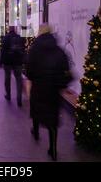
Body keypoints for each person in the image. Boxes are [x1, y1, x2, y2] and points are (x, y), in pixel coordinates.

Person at [26, 24, 72, 161]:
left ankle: (35, 131)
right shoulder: (58, 49)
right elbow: (66, 67)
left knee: (36, 109)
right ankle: (53, 149)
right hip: (53, 89)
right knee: (52, 118)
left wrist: (33, 78)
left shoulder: (34, 49)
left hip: (39, 87)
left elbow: (29, 70)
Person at [0, 26, 25, 107]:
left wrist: (0, 61)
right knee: (19, 79)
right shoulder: (19, 37)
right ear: (15, 29)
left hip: (8, 62)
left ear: (9, 29)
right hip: (17, 62)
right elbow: (23, 49)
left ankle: (8, 95)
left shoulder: (6, 38)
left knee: (7, 78)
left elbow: (2, 50)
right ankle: (19, 98)